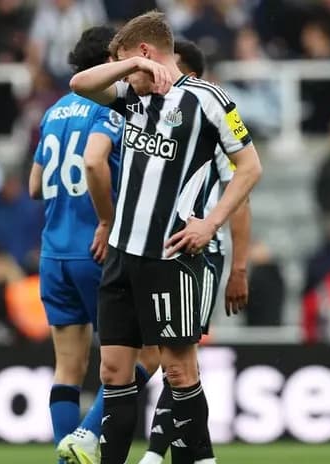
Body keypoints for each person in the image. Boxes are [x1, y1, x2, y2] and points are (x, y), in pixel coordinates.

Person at [70, 11, 262, 464]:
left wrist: (210, 223)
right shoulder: (130, 99)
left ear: (145, 52)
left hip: (171, 257)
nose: (121, 75)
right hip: (122, 253)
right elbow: (79, 84)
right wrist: (126, 67)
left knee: (178, 370)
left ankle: (197, 459)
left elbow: (250, 167)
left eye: (123, 61)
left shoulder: (208, 100)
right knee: (113, 372)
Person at [30, 26, 159, 464]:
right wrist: (106, 217)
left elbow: (34, 186)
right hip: (98, 249)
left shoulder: (53, 111)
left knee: (67, 367)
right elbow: (93, 162)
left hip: (53, 253)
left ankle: (67, 457)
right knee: (149, 354)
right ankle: (87, 434)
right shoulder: (108, 108)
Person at [139, 39, 252, 464]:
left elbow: (240, 194)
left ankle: (154, 454)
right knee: (178, 362)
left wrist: (238, 267)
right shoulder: (156, 118)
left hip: (200, 251)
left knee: (178, 361)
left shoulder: (210, 119)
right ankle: (199, 458)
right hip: (163, 249)